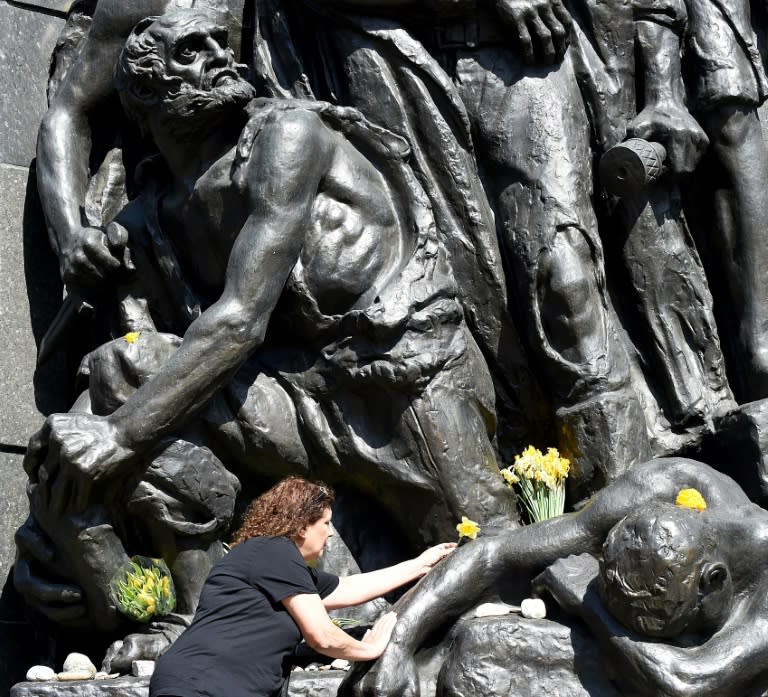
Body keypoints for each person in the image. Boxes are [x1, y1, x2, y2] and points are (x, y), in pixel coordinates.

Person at [16, 7, 518, 671]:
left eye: (218, 45)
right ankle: (193, 616)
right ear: (143, 91)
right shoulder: (153, 214)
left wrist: (116, 438)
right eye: (192, 52)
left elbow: (240, 319)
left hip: (401, 386)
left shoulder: (284, 136)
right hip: (293, 401)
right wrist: (65, 497)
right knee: (122, 370)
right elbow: (137, 372)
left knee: (495, 564)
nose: (220, 57)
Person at [339, 456, 768, 697]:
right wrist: (397, 642)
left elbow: (690, 683)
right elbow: (497, 551)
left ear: (714, 581)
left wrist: (591, 605)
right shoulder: (661, 485)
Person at [149, 476, 455, 697]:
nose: (330, 535)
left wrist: (422, 564)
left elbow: (350, 588)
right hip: (198, 685)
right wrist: (370, 648)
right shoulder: (272, 551)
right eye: (325, 524)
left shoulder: (275, 564)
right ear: (300, 526)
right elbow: (321, 634)